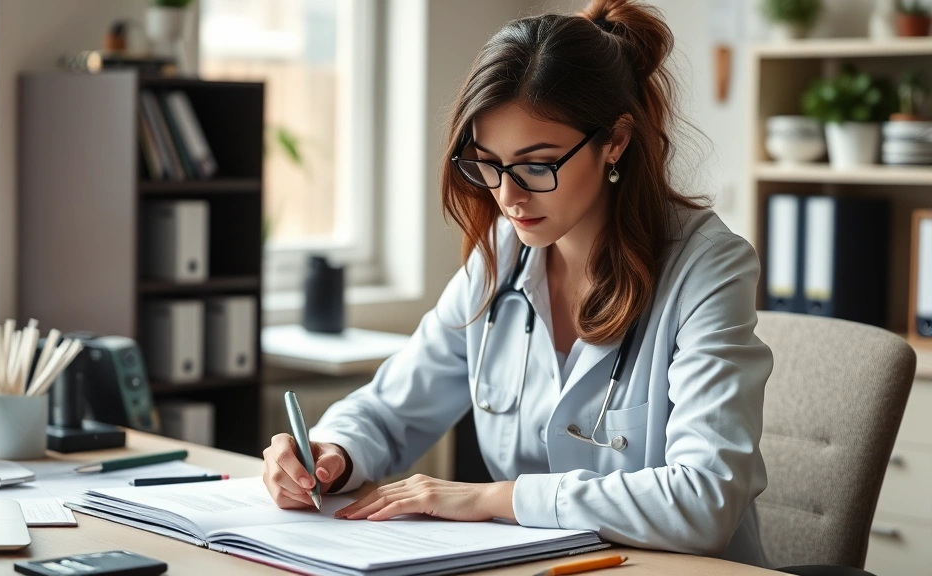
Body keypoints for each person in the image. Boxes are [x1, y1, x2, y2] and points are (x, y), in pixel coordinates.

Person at [262, 0, 773, 567]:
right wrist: (332, 452)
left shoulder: (708, 267)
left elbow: (704, 501)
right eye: (487, 163)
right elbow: (392, 409)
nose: (507, 196)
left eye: (537, 164)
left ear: (616, 141)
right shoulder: (501, 258)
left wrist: (494, 499)